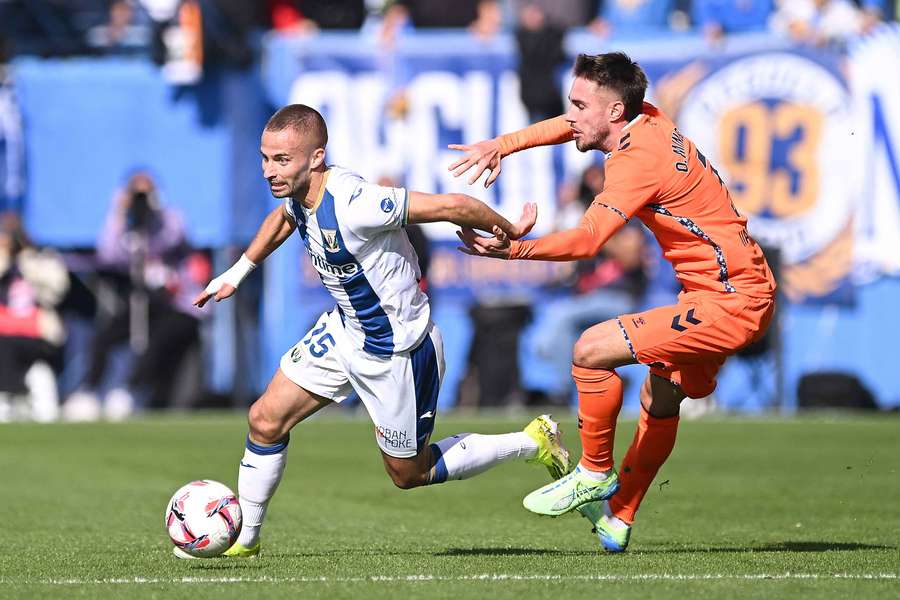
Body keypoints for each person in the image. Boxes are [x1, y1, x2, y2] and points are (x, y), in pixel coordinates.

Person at [181, 104, 571, 559]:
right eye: (265, 158)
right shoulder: (298, 193)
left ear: (316, 158)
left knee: (409, 474)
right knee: (265, 420)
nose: (269, 170)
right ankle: (245, 539)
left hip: (398, 353)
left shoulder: (357, 203)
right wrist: (237, 272)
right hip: (345, 333)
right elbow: (285, 219)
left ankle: (531, 441)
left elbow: (455, 205)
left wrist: (509, 232)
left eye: (281, 160)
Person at [450, 52, 776, 552]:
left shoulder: (636, 163)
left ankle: (594, 471)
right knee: (658, 399)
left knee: (590, 349)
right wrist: (502, 145)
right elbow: (570, 126)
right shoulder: (647, 118)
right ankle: (619, 518)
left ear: (614, 113)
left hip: (731, 300)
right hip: (730, 292)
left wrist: (514, 249)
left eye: (580, 105)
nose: (571, 116)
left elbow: (586, 242)